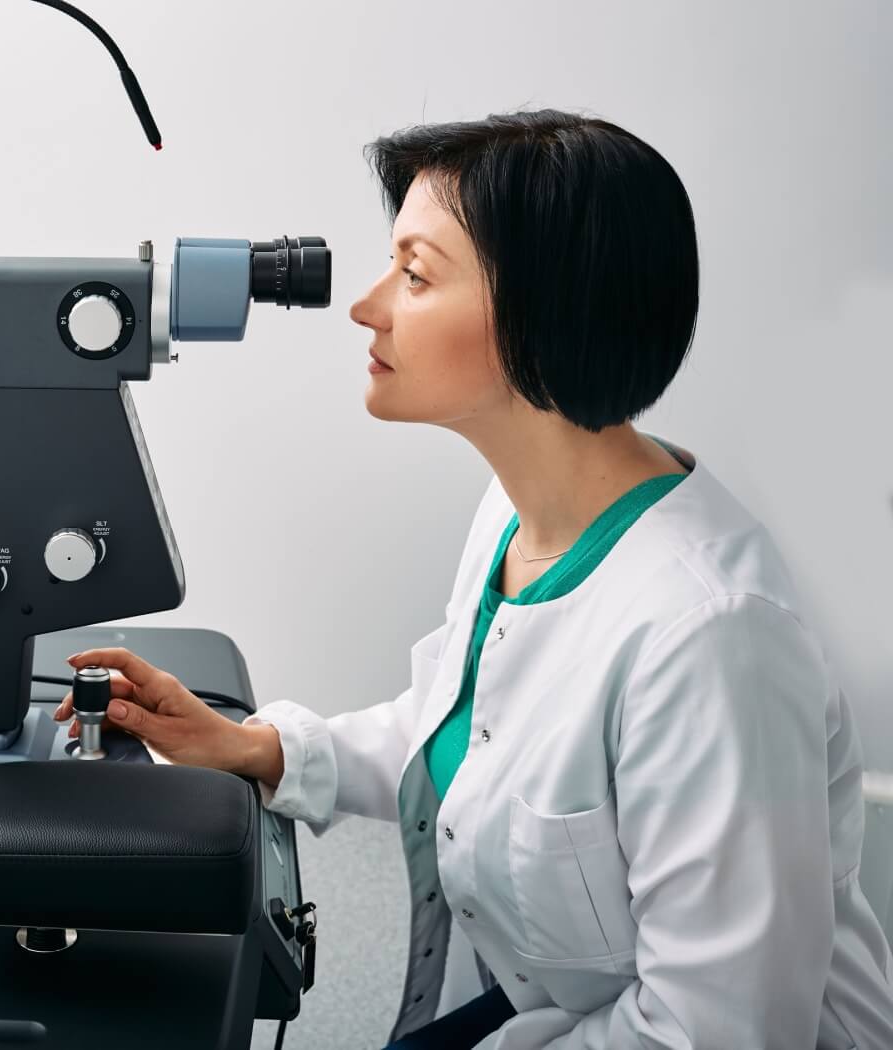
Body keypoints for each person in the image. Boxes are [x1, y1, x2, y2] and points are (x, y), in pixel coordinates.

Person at [54, 110, 893, 1048]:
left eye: (414, 275)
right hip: (555, 1005)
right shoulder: (519, 510)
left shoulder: (710, 641)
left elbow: (721, 1030)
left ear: (547, 310)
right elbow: (465, 730)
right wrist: (255, 748)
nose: (366, 305)